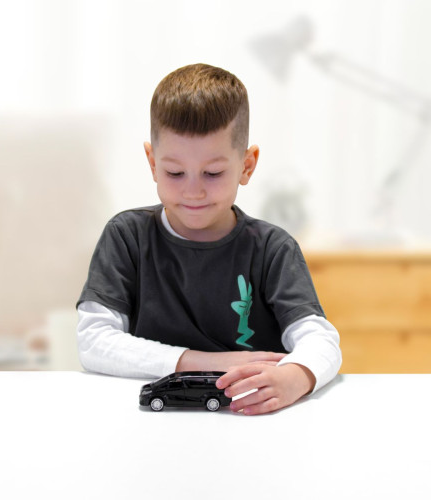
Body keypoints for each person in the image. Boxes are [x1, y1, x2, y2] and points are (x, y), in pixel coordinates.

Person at [76, 63, 341, 415]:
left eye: (213, 173)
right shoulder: (127, 237)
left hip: (248, 419)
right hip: (151, 419)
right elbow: (93, 341)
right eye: (175, 172)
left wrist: (296, 377)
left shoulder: (273, 249)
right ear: (152, 163)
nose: (194, 191)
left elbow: (321, 340)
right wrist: (205, 363)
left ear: (247, 166)